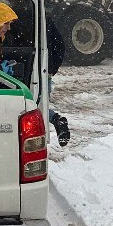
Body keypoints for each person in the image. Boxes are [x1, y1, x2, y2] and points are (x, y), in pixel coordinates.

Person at [45, 16, 71, 146]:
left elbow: (59, 45)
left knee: (33, 108)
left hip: (30, 71)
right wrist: (52, 67)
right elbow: (60, 45)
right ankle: (56, 120)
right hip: (44, 71)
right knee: (39, 106)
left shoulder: (13, 21)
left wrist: (51, 67)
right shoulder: (45, 19)